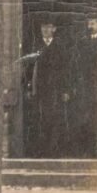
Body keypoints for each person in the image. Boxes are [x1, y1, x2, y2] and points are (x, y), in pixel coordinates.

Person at [30, 20, 71, 157]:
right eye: (43, 27)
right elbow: (29, 68)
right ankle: (41, 150)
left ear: (54, 29)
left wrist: (66, 90)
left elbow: (65, 70)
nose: (45, 30)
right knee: (40, 118)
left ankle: (54, 150)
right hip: (39, 89)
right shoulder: (35, 45)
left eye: (48, 27)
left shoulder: (60, 46)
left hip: (55, 89)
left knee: (55, 118)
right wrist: (30, 87)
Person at [75, 15, 97, 157]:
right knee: (87, 118)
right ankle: (88, 151)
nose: (89, 27)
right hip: (86, 88)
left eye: (92, 23)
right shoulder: (83, 42)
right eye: (88, 24)